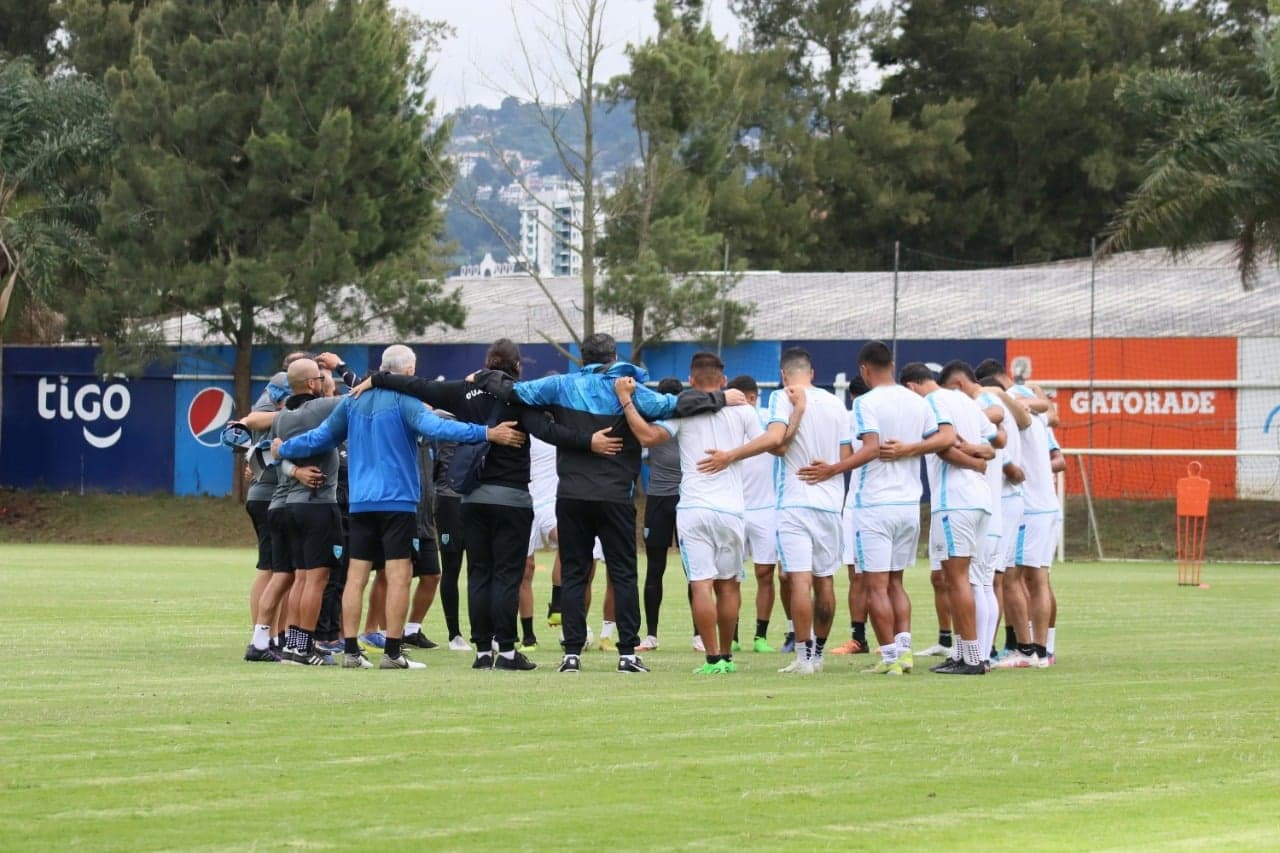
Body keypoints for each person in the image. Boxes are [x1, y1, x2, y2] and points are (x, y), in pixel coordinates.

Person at [471, 332, 744, 674]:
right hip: (615, 495)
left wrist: (482, 376)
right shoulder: (626, 388)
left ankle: (572, 653)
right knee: (623, 573)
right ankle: (627, 652)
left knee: (573, 573)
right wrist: (719, 398)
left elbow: (514, 390)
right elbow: (671, 405)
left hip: (571, 494)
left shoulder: (561, 386)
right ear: (613, 356)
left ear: (582, 359)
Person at [359, 338, 620, 672]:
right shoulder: (521, 395)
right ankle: (507, 651)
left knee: (478, 573)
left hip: (472, 499)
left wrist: (378, 379)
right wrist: (589, 442)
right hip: (511, 498)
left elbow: (417, 384)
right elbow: (550, 432)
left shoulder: (462, 392)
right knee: (507, 575)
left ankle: (483, 651)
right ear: (517, 366)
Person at [275, 344, 524, 671]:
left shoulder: (353, 401)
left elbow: (321, 437)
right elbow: (438, 428)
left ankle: (351, 651)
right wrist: (485, 433)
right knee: (399, 574)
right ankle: (393, 652)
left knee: (356, 576)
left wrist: (283, 449)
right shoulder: (405, 400)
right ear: (407, 372)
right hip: (397, 500)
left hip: (361, 501)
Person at [615, 353, 802, 674]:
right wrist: (734, 454)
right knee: (728, 585)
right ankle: (727, 656)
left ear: (691, 379)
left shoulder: (681, 412)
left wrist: (626, 402)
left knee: (701, 584)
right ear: (723, 381)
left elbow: (646, 436)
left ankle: (712, 657)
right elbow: (776, 441)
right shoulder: (742, 409)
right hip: (731, 511)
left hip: (693, 509)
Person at [800, 343, 952, 675]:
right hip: (909, 505)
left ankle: (891, 659)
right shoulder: (917, 401)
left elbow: (870, 449)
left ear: (864, 369)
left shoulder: (865, 403)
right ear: (892, 365)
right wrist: (912, 448)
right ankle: (905, 652)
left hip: (874, 505)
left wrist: (832, 470)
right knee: (896, 583)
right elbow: (944, 439)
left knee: (875, 585)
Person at [704, 348, 845, 675]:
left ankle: (803, 656)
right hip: (830, 501)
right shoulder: (837, 404)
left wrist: (731, 455)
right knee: (825, 582)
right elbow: (845, 453)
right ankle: (819, 655)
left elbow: (777, 442)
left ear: (784, 375)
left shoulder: (786, 397)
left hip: (795, 501)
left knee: (799, 580)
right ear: (811, 372)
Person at [897, 362, 996, 675]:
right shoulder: (965, 401)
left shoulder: (931, 402)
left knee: (957, 579)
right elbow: (993, 443)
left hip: (955, 499)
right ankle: (966, 652)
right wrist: (978, 458)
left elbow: (944, 445)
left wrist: (970, 462)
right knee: (964, 579)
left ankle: (971, 658)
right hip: (979, 499)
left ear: (912, 387)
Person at [269, 359, 345, 665]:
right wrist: (340, 368)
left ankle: (294, 645)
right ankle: (304, 647)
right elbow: (363, 392)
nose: (326, 381)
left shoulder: (282, 418)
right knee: (316, 579)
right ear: (312, 384)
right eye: (321, 378)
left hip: (292, 505)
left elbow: (274, 455)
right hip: (318, 503)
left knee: (301, 578)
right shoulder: (323, 408)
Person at [725, 374, 787, 654]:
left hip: (766, 509)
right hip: (734, 508)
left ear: (752, 398)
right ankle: (733, 636)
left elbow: (781, 441)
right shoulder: (724, 420)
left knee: (765, 573)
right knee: (730, 577)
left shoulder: (766, 419)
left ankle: (760, 636)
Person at [637, 377, 684, 653]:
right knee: (655, 569)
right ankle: (651, 635)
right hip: (658, 499)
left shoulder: (691, 425)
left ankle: (698, 635)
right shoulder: (651, 426)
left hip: (687, 500)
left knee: (695, 571)